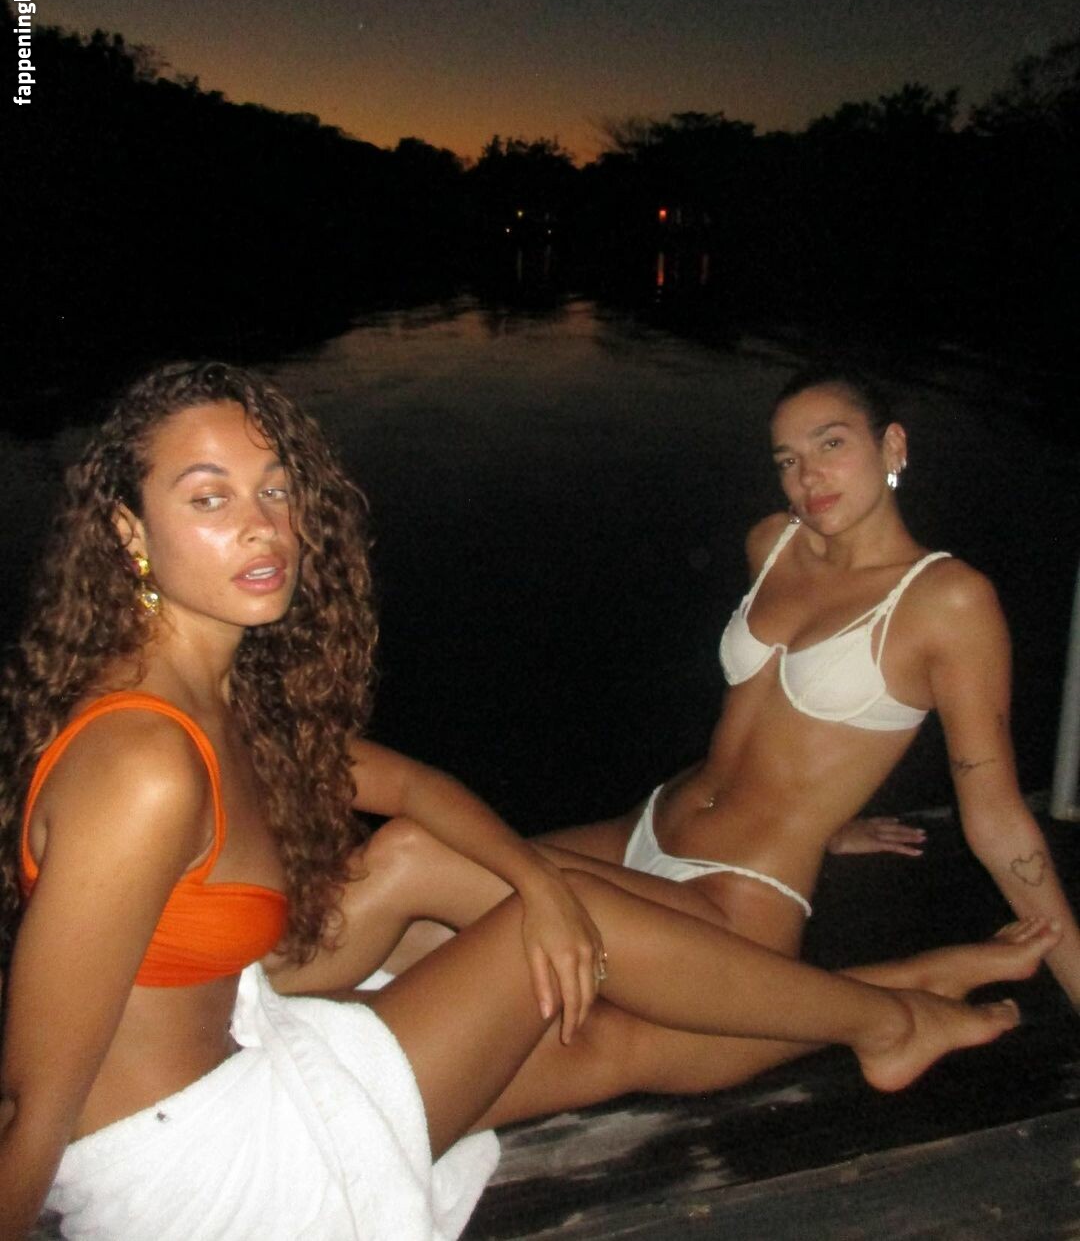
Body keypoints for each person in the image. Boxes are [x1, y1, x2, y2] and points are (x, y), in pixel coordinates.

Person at [0, 362, 1045, 1241]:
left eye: (276, 491)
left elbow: (407, 788)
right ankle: (887, 1017)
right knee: (563, 959)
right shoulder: (146, 764)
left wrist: (537, 882)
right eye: (209, 499)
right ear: (131, 534)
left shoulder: (212, 700)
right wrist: (542, 896)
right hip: (206, 1171)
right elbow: (31, 1108)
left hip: (243, 1060)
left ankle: (891, 995)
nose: (265, 528)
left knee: (586, 1011)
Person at [289, 362, 1080, 1011]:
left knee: (418, 863)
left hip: (736, 899)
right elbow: (781, 722)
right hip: (646, 829)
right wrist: (831, 816)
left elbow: (996, 812)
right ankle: (241, 1010)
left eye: (832, 444)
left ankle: (234, 1012)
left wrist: (1067, 954)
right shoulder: (773, 544)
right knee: (391, 932)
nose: (808, 476)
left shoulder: (948, 601)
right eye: (787, 460)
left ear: (893, 445)